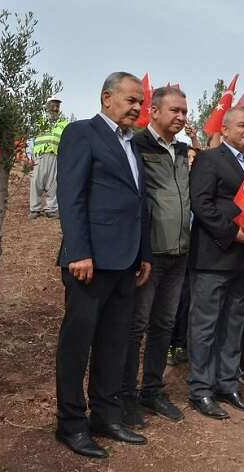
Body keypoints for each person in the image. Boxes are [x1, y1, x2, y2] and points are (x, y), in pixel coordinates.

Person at [54, 71, 152, 459]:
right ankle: (71, 424)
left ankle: (106, 416)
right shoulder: (82, 133)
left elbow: (138, 205)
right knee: (77, 346)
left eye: (140, 102)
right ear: (106, 98)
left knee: (113, 344)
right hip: (89, 262)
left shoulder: (132, 145)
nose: (136, 108)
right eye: (131, 100)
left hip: (125, 262)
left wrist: (143, 253)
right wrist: (78, 251)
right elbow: (71, 194)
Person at [121, 86, 191, 428]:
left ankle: (152, 389)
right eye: (174, 110)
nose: (180, 116)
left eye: (184, 112)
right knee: (136, 326)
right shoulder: (136, 146)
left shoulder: (182, 151)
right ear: (155, 112)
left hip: (179, 253)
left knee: (164, 325)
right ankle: (124, 394)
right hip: (149, 255)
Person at [187, 106, 244, 420]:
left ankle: (227, 384)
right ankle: (200, 389)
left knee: (233, 325)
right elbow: (201, 203)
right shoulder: (209, 159)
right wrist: (233, 234)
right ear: (226, 129)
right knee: (205, 325)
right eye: (242, 125)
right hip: (214, 256)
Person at [30, 96, 68, 219]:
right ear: (47, 107)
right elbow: (32, 139)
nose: (55, 108)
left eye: (57, 106)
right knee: (36, 181)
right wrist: (31, 156)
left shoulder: (64, 123)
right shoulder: (39, 122)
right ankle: (34, 209)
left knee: (54, 183)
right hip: (40, 155)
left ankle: (51, 210)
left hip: (56, 155)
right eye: (53, 105)